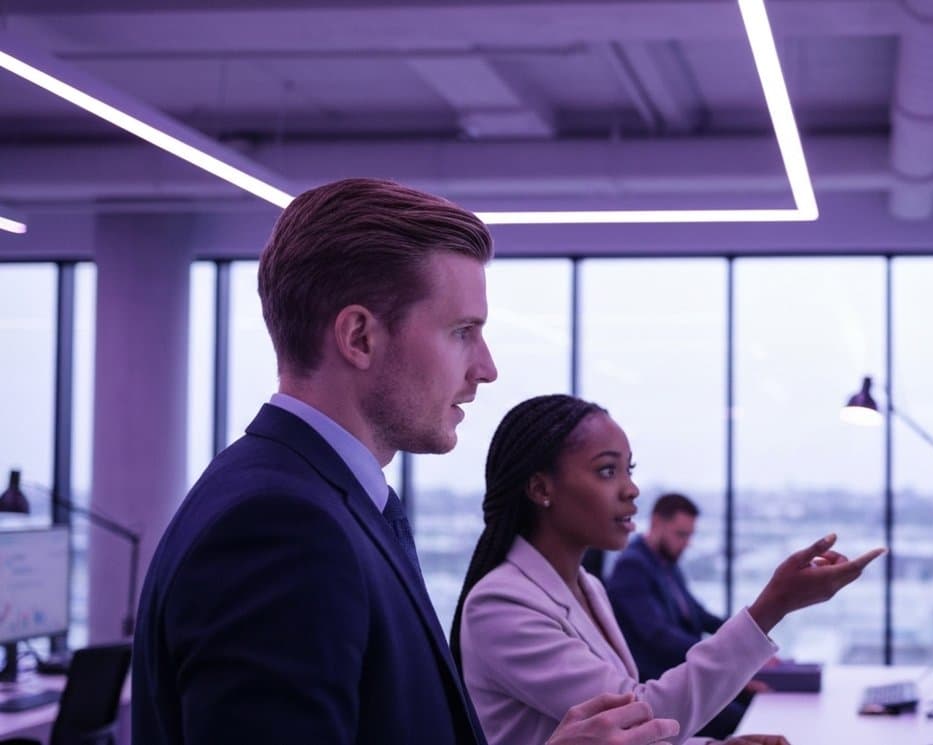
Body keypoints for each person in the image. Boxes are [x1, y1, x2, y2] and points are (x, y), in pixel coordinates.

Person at [131, 178, 679, 745]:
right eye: (462, 332)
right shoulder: (282, 527)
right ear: (360, 337)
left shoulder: (327, 501)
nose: (486, 369)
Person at [455, 394, 885, 745]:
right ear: (541, 488)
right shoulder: (502, 604)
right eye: (607, 470)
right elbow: (637, 717)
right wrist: (773, 605)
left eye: (629, 470)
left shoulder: (586, 587)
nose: (631, 488)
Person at [606, 494, 761, 739]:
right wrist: (722, 655)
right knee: (742, 717)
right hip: (660, 686)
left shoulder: (665, 563)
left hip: (686, 673)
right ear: (657, 522)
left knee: (753, 701)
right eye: (681, 534)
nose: (686, 543)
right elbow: (658, 634)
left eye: (689, 535)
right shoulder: (633, 566)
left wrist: (749, 632)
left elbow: (697, 613)